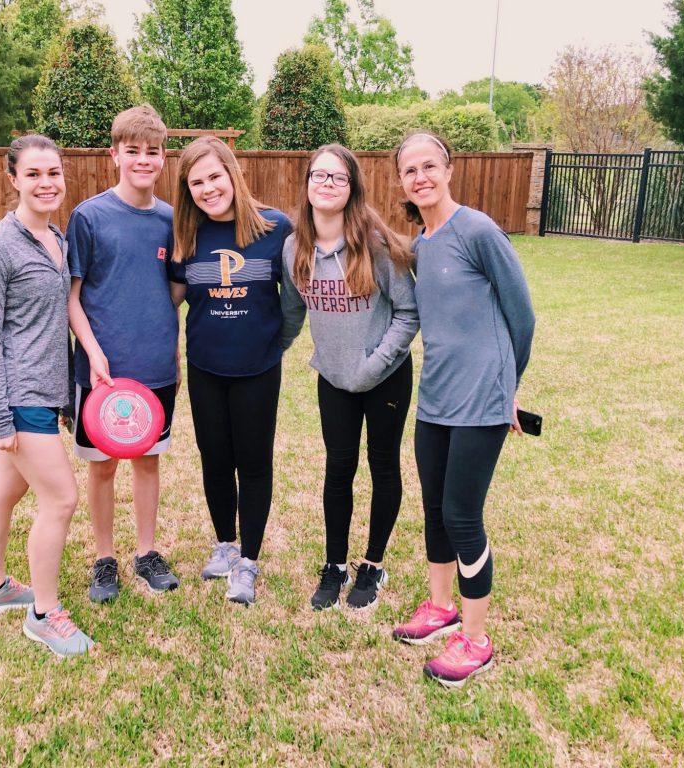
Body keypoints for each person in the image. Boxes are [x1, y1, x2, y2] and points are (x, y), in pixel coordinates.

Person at [389, 132, 535, 687]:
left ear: (448, 170)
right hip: (435, 401)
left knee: (462, 517)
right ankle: (440, 607)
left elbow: (522, 316)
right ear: (401, 180)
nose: (420, 177)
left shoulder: (478, 230)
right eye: (410, 170)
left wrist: (507, 386)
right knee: (434, 509)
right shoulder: (422, 246)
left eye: (430, 166)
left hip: (481, 402)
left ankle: (475, 639)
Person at [0, 134, 95, 658]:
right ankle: (44, 614)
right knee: (61, 499)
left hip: (47, 392)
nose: (47, 184)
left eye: (54, 174)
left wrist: (72, 389)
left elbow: (58, 318)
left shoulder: (58, 240)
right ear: (13, 179)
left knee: (5, 492)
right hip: (19, 397)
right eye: (35, 174)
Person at [280, 144, 419, 611]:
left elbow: (408, 311)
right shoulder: (294, 247)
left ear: (352, 188)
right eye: (318, 176)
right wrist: (265, 354)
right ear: (306, 186)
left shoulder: (376, 244)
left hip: (385, 378)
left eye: (338, 178)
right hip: (334, 380)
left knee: (383, 467)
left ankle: (373, 565)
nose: (326, 184)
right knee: (338, 469)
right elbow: (292, 313)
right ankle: (335, 564)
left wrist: (373, 365)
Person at [169, 137, 293, 605]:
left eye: (214, 177)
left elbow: (298, 296)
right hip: (206, 368)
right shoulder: (186, 235)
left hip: (258, 369)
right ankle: (224, 546)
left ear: (233, 174)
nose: (207, 188)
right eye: (196, 182)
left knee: (254, 463)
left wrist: (277, 342)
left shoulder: (274, 228)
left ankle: (249, 562)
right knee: (215, 459)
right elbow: (173, 302)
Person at [66, 105, 181, 600]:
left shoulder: (172, 220)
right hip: (102, 372)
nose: (142, 159)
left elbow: (174, 289)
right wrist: (92, 353)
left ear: (163, 158)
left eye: (151, 151)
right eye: (131, 150)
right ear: (113, 154)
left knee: (149, 461)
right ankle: (104, 558)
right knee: (103, 464)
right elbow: (72, 297)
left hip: (156, 366)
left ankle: (146, 552)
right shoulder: (88, 217)